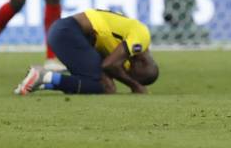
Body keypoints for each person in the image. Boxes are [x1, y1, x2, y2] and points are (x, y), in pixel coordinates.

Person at [14, 9, 159, 95]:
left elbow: (108, 64)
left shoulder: (128, 49)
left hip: (69, 35)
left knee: (108, 88)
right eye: (134, 74)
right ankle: (46, 76)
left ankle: (42, 82)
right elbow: (108, 65)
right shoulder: (141, 38)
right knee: (100, 86)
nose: (129, 74)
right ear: (143, 62)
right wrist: (134, 85)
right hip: (68, 32)